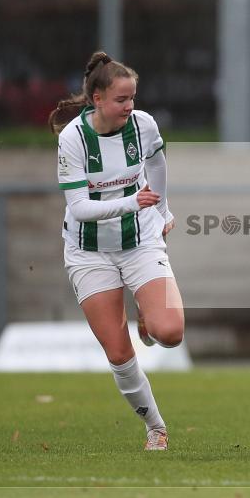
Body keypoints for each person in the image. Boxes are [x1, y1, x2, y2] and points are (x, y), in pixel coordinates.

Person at [49, 51, 184, 451]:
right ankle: (156, 428)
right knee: (120, 353)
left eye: (132, 98)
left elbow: (157, 164)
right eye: (121, 99)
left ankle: (146, 314)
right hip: (89, 251)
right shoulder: (73, 138)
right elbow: (80, 208)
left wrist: (161, 209)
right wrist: (133, 202)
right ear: (97, 99)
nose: (129, 106)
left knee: (170, 333)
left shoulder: (143, 125)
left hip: (139, 242)